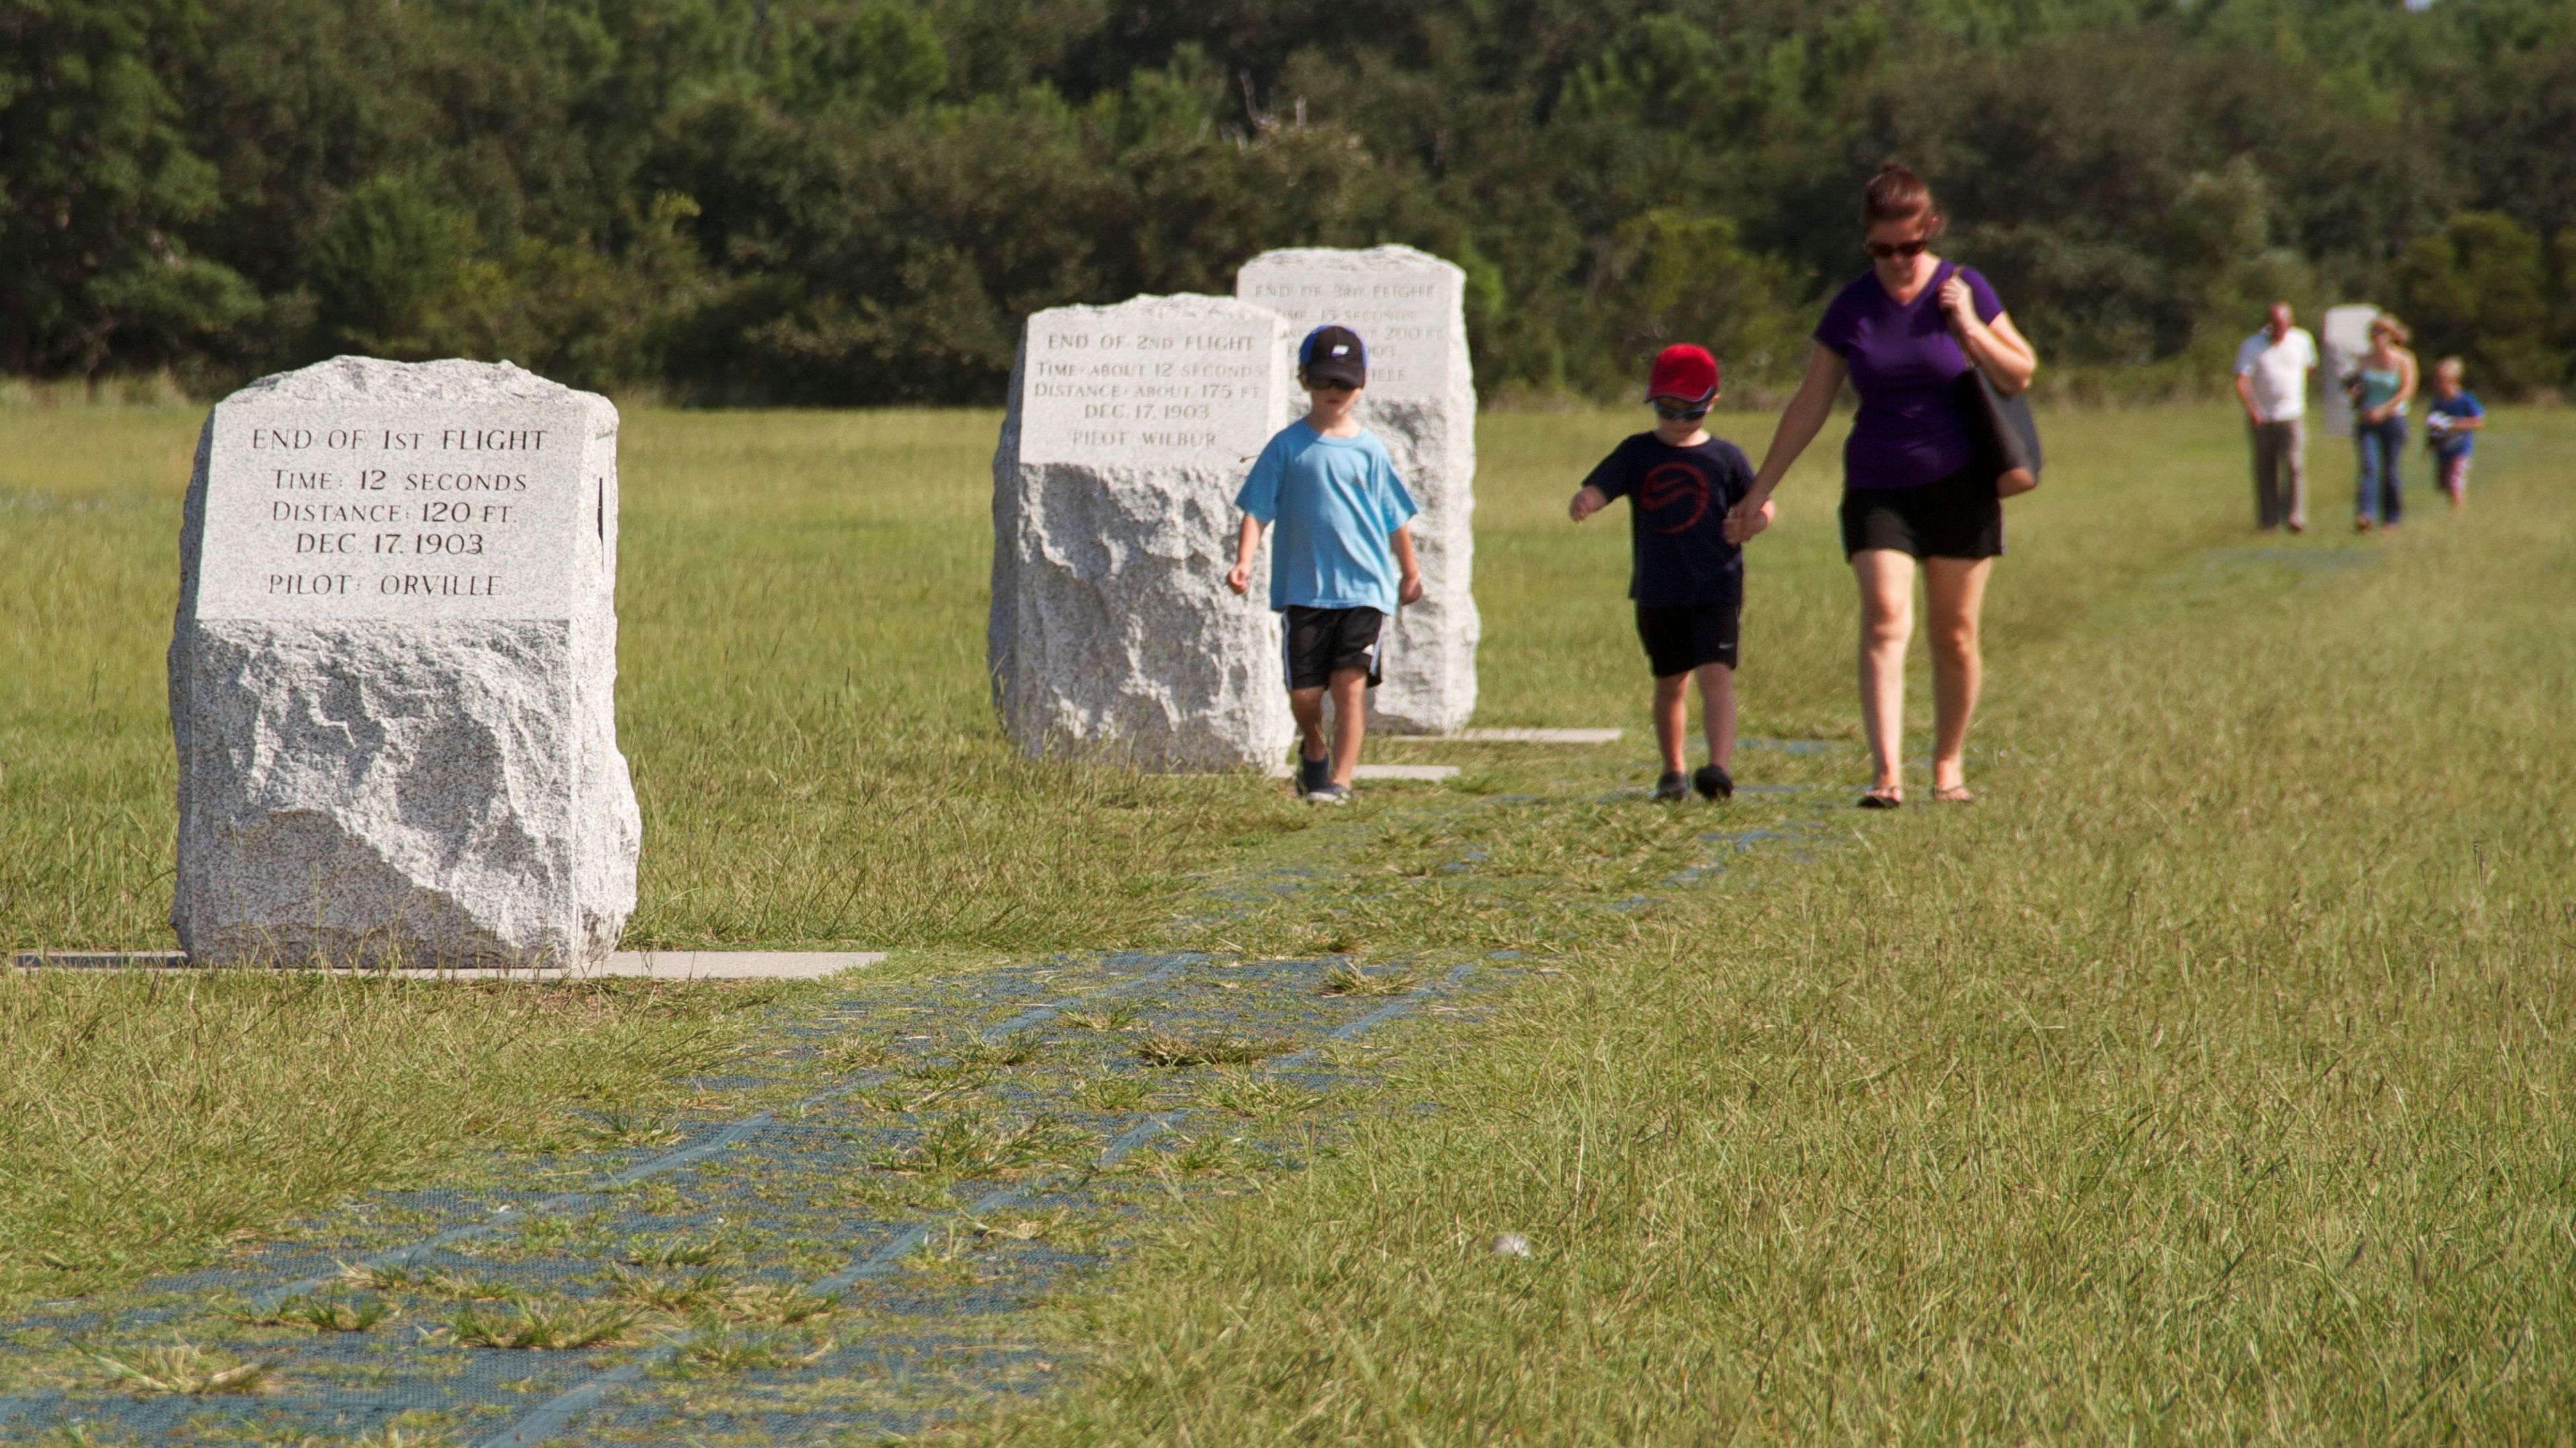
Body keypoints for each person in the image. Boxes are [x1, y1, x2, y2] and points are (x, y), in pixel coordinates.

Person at [1721, 162, 2037, 809]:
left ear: (1931, 229)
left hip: (1960, 482)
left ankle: (1947, 763)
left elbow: (2021, 372)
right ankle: (1886, 771)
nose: (1896, 260)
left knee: (1954, 635)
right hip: (1878, 484)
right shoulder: (1851, 307)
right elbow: (1810, 404)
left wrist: (1969, 325)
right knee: (1886, 617)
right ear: (1866, 241)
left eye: (1910, 247)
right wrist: (1759, 489)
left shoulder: (1965, 286)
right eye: (1881, 249)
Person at [1226, 324, 1425, 805]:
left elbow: (1395, 517)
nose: (1333, 392)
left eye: (1344, 382)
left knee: (1350, 686)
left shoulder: (1370, 451)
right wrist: (1243, 561)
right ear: (1304, 381)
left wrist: (1410, 571)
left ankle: (1340, 781)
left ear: (1361, 384)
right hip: (1305, 590)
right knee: (1306, 696)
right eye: (1323, 381)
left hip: (1365, 590)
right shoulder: (1287, 446)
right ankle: (1314, 748)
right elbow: (1257, 508)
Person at [1568, 343, 1772, 802]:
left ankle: (1718, 767)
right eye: (1667, 409)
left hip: (1716, 586)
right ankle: (1673, 769)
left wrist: (1753, 523)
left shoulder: (1727, 457)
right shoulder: (1638, 451)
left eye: (1690, 410)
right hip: (1658, 590)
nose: (1678, 421)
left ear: (1712, 402)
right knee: (1669, 682)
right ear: (1652, 401)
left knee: (1715, 674)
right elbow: (1604, 483)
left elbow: (1763, 505)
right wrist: (1588, 499)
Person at [2233, 301, 2316, 532]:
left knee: (2293, 465)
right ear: (2268, 324)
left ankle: (2295, 516)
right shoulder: (2252, 345)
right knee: (2265, 468)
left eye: (2283, 324)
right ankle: (2268, 520)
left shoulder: (2302, 341)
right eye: (2275, 325)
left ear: (2290, 323)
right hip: (2263, 416)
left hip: (2292, 413)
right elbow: (2241, 380)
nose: (2279, 329)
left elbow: (2309, 368)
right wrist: (2253, 409)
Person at [2349, 315, 2417, 531]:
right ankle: (2365, 514)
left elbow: (2406, 391)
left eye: (2381, 333)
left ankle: (2391, 517)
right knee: (2368, 466)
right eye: (2374, 333)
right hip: (2368, 419)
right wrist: (2357, 399)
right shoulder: (2365, 360)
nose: (2377, 338)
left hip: (2393, 418)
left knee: (2390, 470)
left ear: (2390, 336)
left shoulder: (2403, 360)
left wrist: (2384, 410)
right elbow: (2358, 388)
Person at [2424, 355, 2483, 512]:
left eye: (2442, 381)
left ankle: (2458, 514)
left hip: (2461, 449)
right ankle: (2454, 506)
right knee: (2444, 484)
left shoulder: (2465, 400)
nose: (2438, 385)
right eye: (2437, 381)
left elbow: (2478, 421)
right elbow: (2432, 426)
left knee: (2455, 481)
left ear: (2453, 381)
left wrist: (2455, 424)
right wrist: (2429, 446)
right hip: (2444, 450)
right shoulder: (2437, 403)